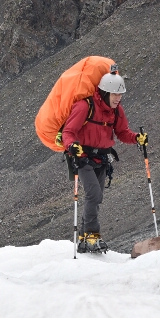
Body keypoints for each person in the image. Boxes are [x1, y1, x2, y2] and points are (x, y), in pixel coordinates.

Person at [61, 71, 148, 253]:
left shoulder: (117, 111)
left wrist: (137, 138)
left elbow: (122, 132)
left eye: (120, 94)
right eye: (115, 94)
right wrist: (71, 146)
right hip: (82, 158)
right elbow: (68, 132)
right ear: (105, 93)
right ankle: (92, 234)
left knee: (96, 197)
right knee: (94, 195)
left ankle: (84, 239)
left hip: (102, 159)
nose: (119, 98)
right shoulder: (85, 107)